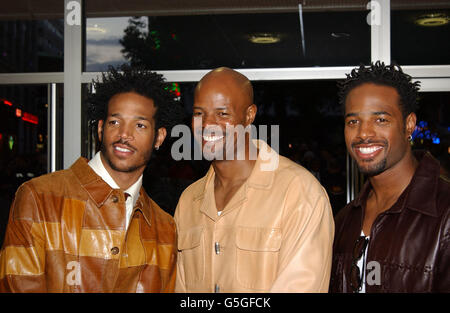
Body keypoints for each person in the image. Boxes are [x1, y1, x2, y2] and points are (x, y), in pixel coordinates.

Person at [0, 65, 184, 292]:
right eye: (115, 122)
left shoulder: (164, 228)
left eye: (139, 125)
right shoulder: (38, 198)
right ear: (100, 129)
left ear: (159, 137)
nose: (124, 134)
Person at [174, 67, 334, 293]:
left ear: (249, 115)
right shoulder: (188, 200)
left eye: (223, 114)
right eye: (199, 113)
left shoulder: (299, 192)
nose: (208, 124)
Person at [330, 61, 450, 293]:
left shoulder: (444, 211)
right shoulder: (345, 219)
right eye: (353, 121)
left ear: (409, 125)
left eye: (381, 119)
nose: (363, 133)